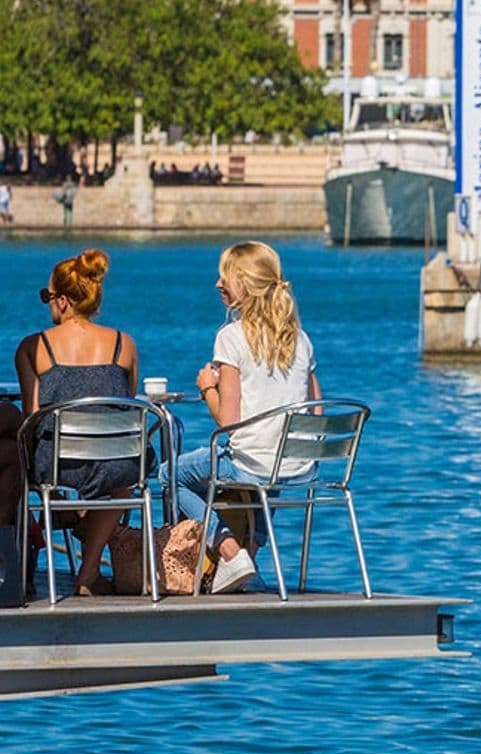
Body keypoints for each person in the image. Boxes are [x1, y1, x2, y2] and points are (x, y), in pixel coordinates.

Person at [169, 241, 320, 594]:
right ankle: (250, 558)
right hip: (298, 465)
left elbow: (227, 421)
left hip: (252, 464)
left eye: (225, 278)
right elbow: (316, 411)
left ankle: (231, 553)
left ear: (245, 284)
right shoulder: (300, 339)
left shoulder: (231, 337)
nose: (217, 284)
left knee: (169, 475)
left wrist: (208, 387)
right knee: (274, 458)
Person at [14, 249, 141, 595]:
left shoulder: (33, 347)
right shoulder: (123, 344)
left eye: (48, 297)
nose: (48, 305)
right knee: (124, 477)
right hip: (117, 463)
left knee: (28, 461)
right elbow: (123, 407)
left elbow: (32, 415)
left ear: (64, 301)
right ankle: (88, 573)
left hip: (59, 466)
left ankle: (66, 518)